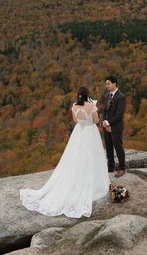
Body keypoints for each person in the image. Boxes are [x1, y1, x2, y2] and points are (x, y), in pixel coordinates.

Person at [20, 87, 110, 218]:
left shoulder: (74, 106)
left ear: (78, 95)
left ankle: (76, 177)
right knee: (92, 157)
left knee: (75, 156)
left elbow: (75, 121)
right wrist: (94, 112)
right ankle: (93, 181)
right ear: (87, 96)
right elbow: (96, 121)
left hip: (79, 132)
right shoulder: (91, 106)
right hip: (90, 132)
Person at [103, 76, 126, 177]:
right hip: (107, 126)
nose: (107, 85)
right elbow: (105, 110)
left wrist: (109, 123)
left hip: (116, 126)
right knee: (108, 147)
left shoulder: (121, 97)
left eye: (109, 83)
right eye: (106, 84)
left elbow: (119, 114)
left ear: (115, 83)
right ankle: (110, 167)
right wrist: (104, 121)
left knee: (118, 147)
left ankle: (122, 168)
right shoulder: (107, 95)